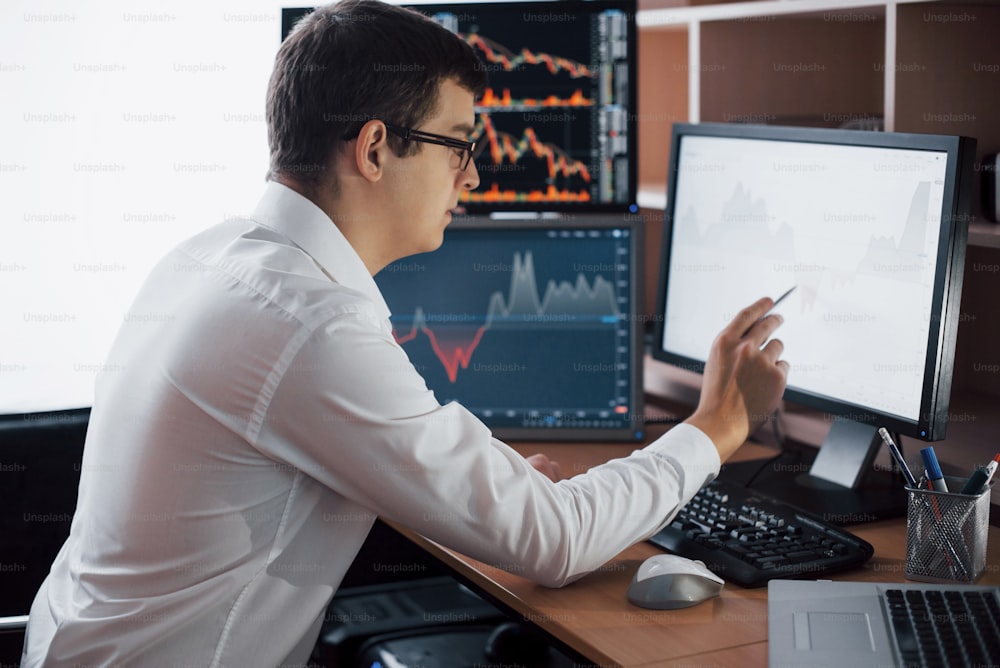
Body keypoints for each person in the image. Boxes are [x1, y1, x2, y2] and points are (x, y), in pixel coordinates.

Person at [21, 1, 788, 665]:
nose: (475, 179)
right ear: (376, 147)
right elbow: (552, 544)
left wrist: (492, 489)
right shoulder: (308, 325)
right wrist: (716, 426)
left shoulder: (212, 258)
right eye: (460, 146)